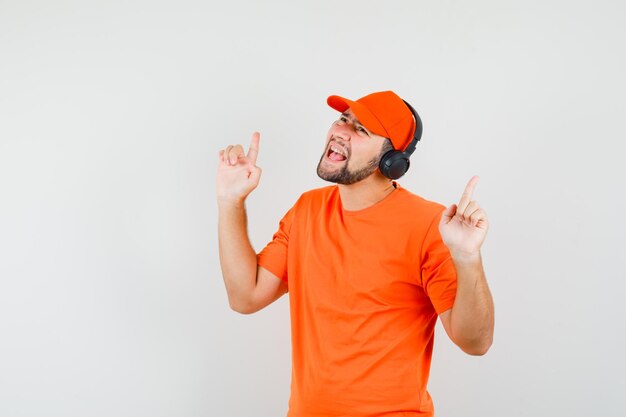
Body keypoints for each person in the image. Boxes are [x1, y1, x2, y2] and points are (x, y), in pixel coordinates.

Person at [217, 90, 495, 417]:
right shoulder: (307, 210)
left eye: (361, 130)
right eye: (343, 119)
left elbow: (475, 343)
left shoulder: (430, 225)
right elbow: (245, 296)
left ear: (392, 162)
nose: (340, 131)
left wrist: (467, 258)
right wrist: (230, 201)